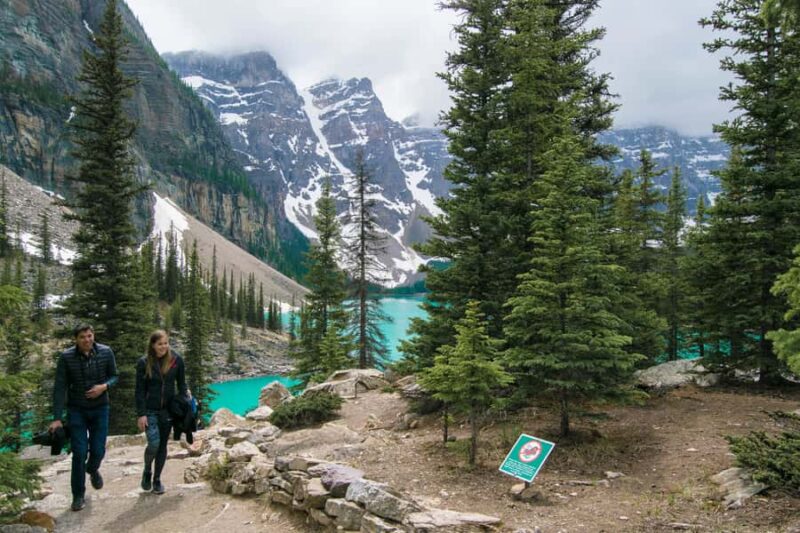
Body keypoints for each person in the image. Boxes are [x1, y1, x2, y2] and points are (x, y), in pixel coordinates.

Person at [50, 324, 118, 512]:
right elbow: (60, 387)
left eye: (89, 336)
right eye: (82, 337)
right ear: (76, 339)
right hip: (77, 410)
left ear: (93, 335)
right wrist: (56, 418)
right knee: (79, 453)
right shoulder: (66, 358)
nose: (87, 340)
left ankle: (93, 468)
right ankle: (78, 495)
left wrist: (104, 386)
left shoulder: (106, 352)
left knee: (98, 450)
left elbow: (114, 376)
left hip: (100, 408)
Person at [135, 330, 188, 495]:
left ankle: (157, 479)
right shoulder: (144, 363)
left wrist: (186, 399)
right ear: (153, 345)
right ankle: (147, 470)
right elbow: (139, 391)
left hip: (168, 410)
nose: (164, 347)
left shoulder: (176, 360)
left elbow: (182, 384)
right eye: (160, 344)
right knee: (153, 444)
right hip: (150, 410)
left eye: (166, 343)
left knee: (163, 445)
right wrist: (141, 414)